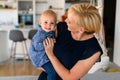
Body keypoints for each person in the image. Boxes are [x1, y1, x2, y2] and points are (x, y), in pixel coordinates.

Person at [37, 3, 103, 80]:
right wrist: (39, 62)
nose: (65, 20)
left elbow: (69, 77)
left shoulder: (93, 50)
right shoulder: (61, 27)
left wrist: (50, 55)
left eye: (69, 21)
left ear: (81, 29)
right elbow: (38, 41)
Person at [29, 9, 57, 80]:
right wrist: (50, 42)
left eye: (52, 23)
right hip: (41, 58)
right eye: (46, 22)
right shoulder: (40, 35)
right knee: (52, 72)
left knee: (46, 72)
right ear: (40, 23)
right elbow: (37, 47)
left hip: (45, 58)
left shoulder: (50, 33)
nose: (48, 25)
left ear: (55, 25)